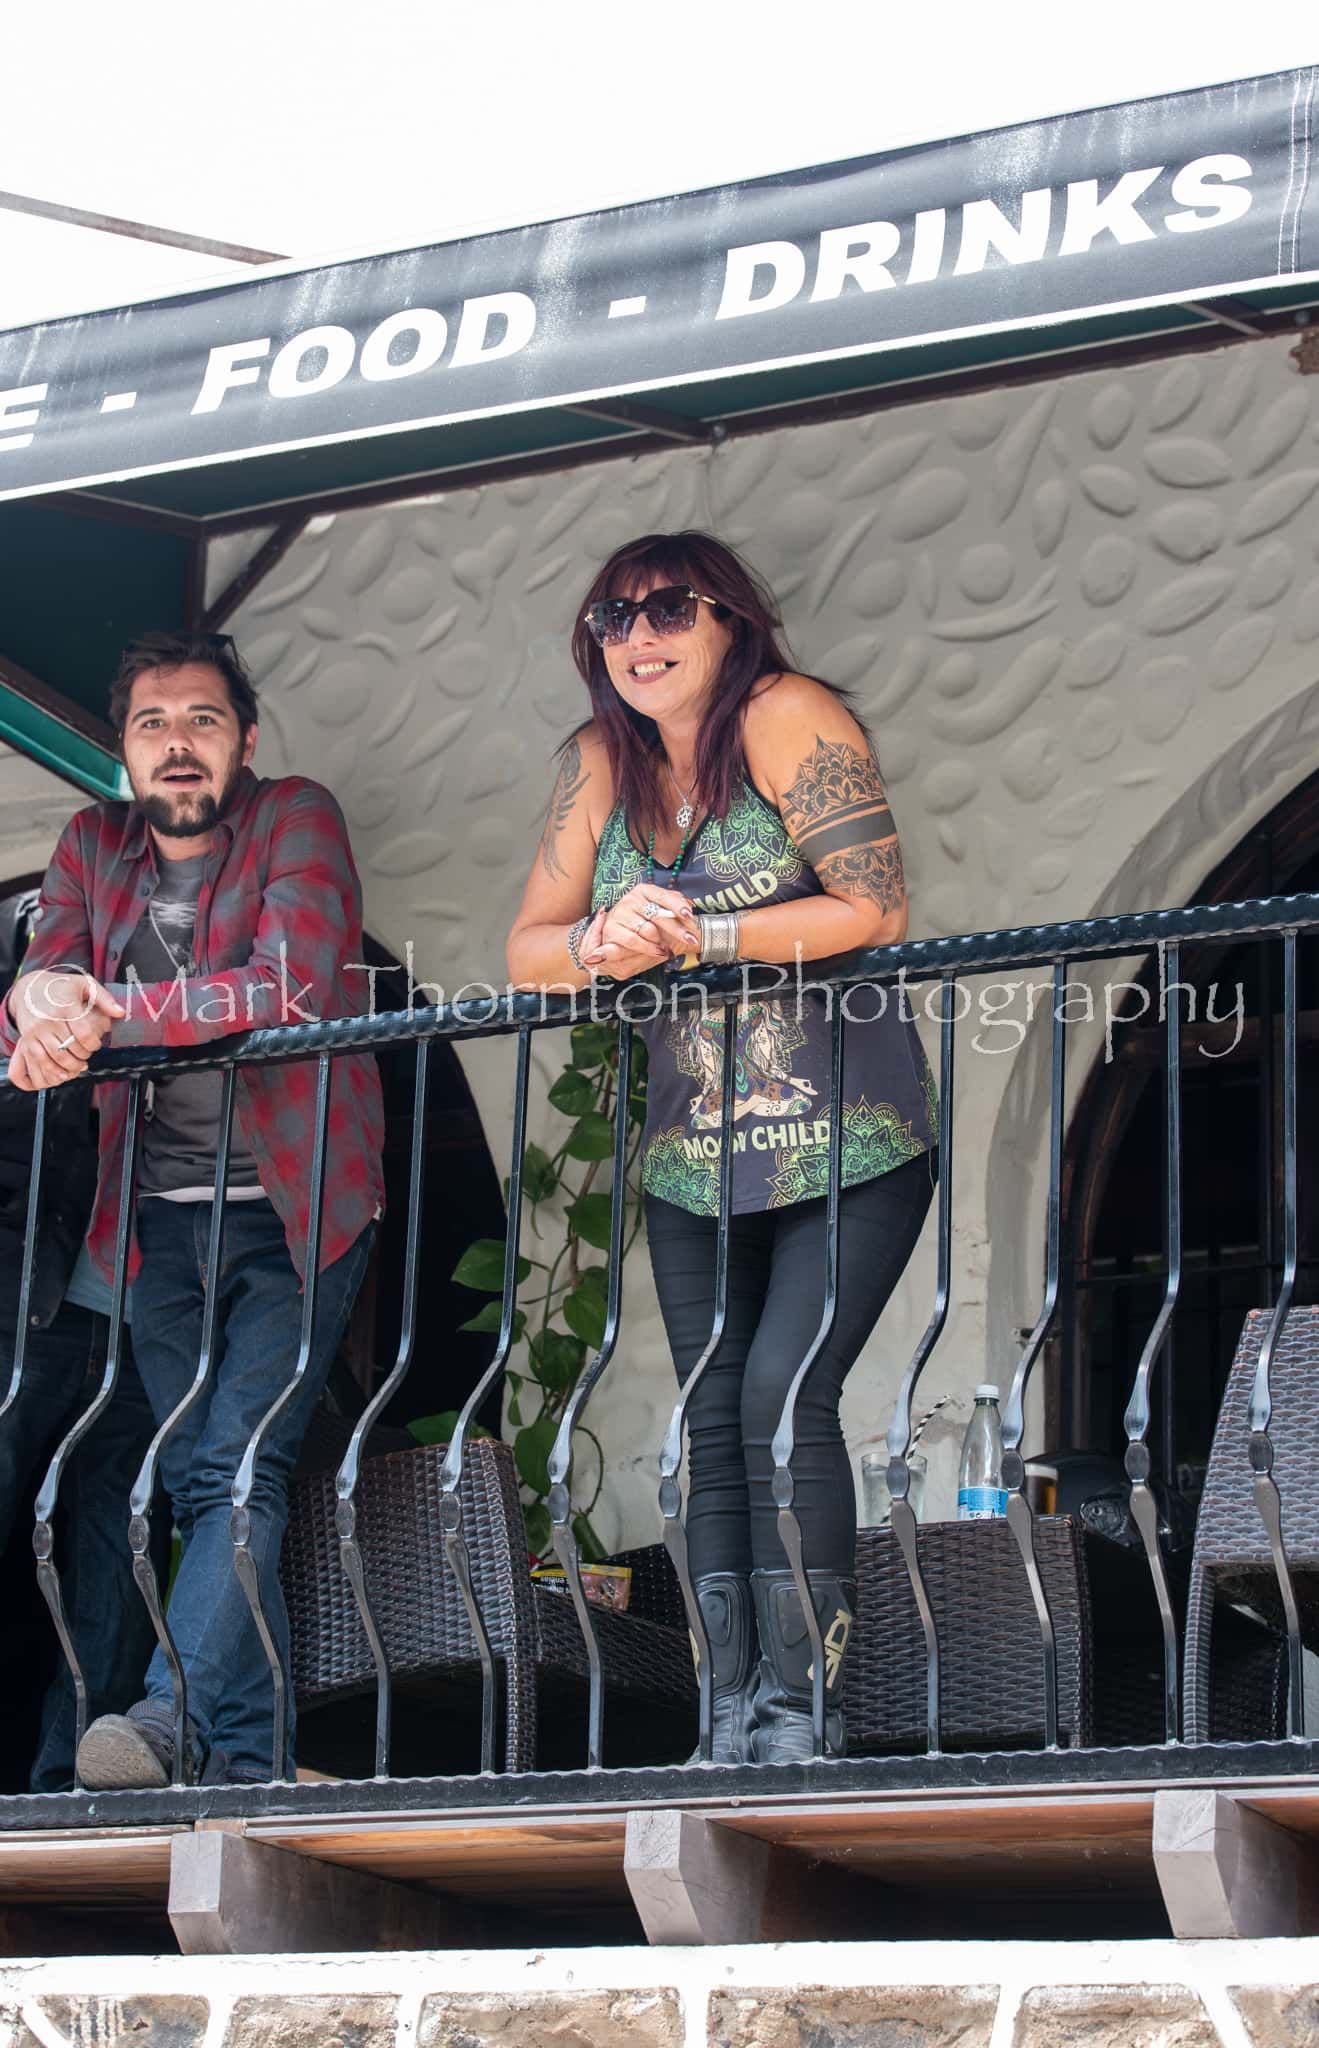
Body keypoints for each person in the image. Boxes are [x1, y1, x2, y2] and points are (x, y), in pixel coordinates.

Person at [507, 534, 937, 1764]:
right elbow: (526, 947)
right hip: (692, 1149)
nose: (637, 634)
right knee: (707, 1415)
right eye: (611, 616)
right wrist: (603, 935)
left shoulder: (786, 713)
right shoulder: (599, 761)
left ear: (729, 617)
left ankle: (806, 1712)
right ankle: (732, 1713)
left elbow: (871, 904)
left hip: (845, 1131)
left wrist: (694, 933)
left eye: (666, 608)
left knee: (779, 1396)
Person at [0, 631, 384, 1789]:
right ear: (122, 749)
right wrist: (41, 1008)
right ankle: (249, 1761)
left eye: (202, 721)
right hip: (153, 1217)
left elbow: (289, 984)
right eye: (153, 723)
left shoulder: (295, 816)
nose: (178, 743)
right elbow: (44, 977)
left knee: (236, 1463)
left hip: (299, 1203)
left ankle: (167, 1718)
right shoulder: (89, 842)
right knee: (197, 1472)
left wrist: (110, 1010)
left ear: (244, 740)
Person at [0, 889, 157, 1792]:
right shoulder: (36, 913)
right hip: (7, 1290)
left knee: (119, 1557)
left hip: (150, 1306)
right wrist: (55, 1061)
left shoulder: (238, 923)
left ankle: (72, 1791)